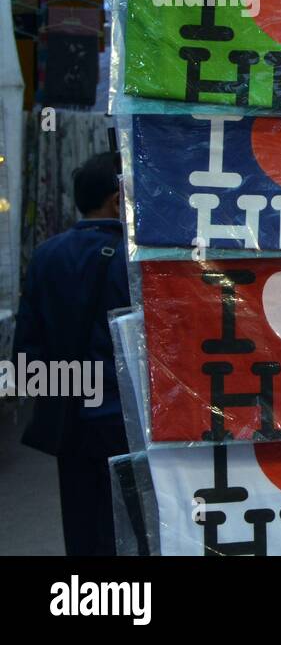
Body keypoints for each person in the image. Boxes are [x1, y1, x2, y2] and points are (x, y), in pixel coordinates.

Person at [15, 151, 131, 556]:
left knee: (82, 528)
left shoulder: (47, 256)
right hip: (126, 419)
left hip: (70, 420)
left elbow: (27, 352)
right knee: (132, 527)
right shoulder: (133, 262)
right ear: (118, 199)